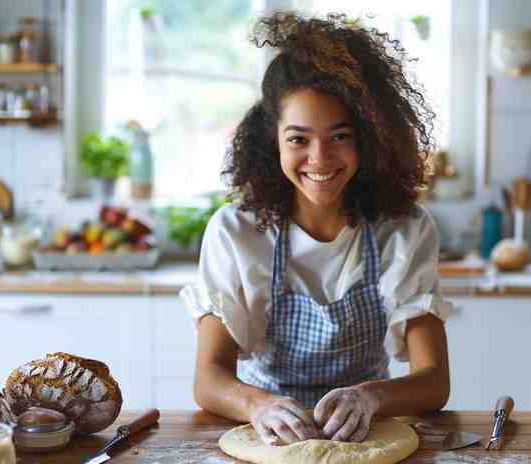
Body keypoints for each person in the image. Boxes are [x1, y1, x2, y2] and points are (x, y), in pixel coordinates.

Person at [180, 11, 451, 446]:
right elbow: (208, 380)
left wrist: (370, 398)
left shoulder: (404, 230)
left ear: (369, 136)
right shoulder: (236, 231)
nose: (320, 159)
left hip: (365, 436)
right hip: (266, 437)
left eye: (339, 135)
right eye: (299, 139)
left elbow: (433, 382)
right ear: (273, 140)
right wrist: (260, 405)